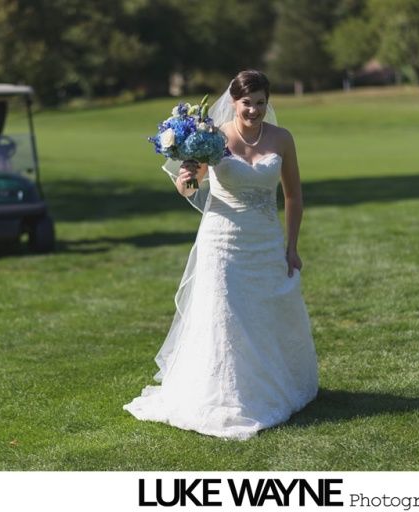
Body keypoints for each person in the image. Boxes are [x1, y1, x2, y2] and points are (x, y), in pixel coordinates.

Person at [124, 70, 318, 440]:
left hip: (264, 239)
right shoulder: (212, 136)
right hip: (221, 239)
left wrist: (291, 246)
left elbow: (293, 196)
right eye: (248, 103)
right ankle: (225, 395)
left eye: (261, 103)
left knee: (263, 311)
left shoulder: (282, 139)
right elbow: (189, 184)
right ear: (235, 102)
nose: (255, 110)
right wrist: (185, 180)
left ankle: (267, 387)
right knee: (224, 313)